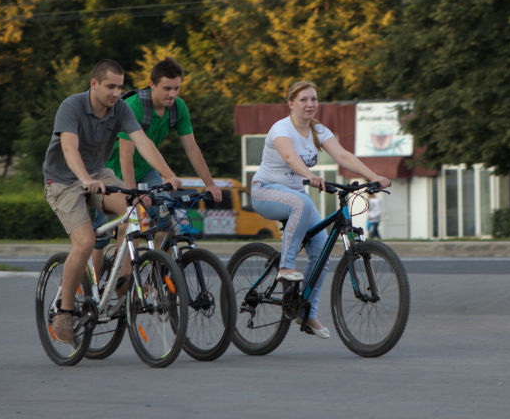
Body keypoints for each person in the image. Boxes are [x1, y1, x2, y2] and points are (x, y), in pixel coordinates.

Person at [42, 59, 181, 344]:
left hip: (99, 175)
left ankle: (120, 280)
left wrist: (168, 174)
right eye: (110, 87)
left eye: (120, 87)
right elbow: (69, 148)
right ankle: (65, 312)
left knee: (136, 212)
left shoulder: (119, 108)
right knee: (84, 242)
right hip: (64, 181)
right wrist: (83, 178)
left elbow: (142, 141)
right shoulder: (72, 106)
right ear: (94, 84)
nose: (116, 93)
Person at [250, 81, 391, 339]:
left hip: (295, 197)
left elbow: (343, 155)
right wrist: (309, 176)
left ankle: (308, 313)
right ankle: (285, 267)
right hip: (265, 190)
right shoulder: (281, 129)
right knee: (302, 201)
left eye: (314, 99)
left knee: (321, 250)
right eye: (303, 99)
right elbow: (291, 158)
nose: (310, 104)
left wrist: (374, 176)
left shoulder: (318, 130)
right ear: (291, 103)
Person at [91, 57, 221, 267]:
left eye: (177, 88)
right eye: (167, 88)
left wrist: (210, 183)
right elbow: (126, 157)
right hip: (112, 171)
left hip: (146, 169)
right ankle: (95, 290)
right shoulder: (134, 106)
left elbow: (192, 148)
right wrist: (132, 193)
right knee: (105, 234)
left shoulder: (178, 108)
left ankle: (155, 280)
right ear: (152, 85)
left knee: (167, 219)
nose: (172, 94)